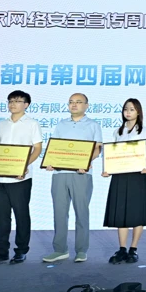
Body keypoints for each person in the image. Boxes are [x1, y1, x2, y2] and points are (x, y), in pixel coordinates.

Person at [0, 90, 43, 264]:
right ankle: (1, 251)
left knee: (21, 215)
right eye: (10, 101)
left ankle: (21, 250)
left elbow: (37, 148)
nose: (13, 104)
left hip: (20, 179)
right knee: (1, 218)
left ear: (26, 104)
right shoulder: (1, 124)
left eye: (17, 101)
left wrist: (24, 167)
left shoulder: (32, 124)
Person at [43, 93, 103, 264]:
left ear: (86, 105)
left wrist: (87, 162)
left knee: (81, 212)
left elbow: (98, 148)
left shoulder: (93, 125)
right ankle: (60, 250)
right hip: (59, 174)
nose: (74, 105)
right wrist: (50, 162)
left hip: (81, 174)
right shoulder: (61, 124)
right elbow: (55, 148)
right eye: (71, 102)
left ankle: (81, 250)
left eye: (78, 102)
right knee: (59, 212)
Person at [104, 98, 146, 263]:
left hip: (137, 175)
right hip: (119, 175)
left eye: (132, 109)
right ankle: (122, 249)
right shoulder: (118, 132)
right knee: (121, 212)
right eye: (126, 109)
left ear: (138, 112)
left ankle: (133, 249)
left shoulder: (145, 131)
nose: (128, 112)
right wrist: (107, 169)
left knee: (137, 212)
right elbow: (111, 154)